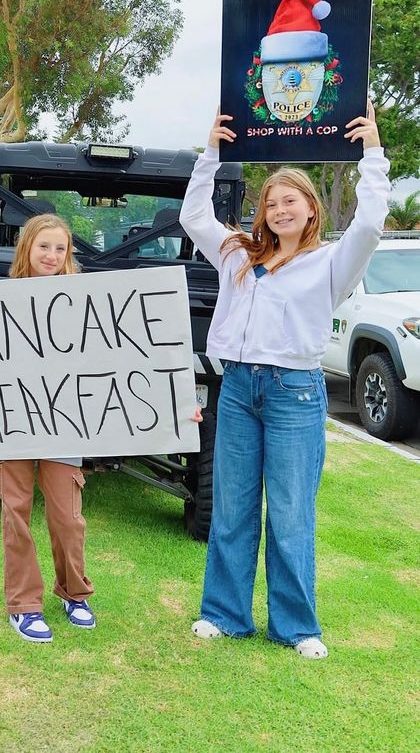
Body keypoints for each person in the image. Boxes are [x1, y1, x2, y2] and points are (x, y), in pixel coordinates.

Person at [180, 106, 389, 660]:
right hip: (240, 388)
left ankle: (296, 627)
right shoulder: (237, 255)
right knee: (233, 505)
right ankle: (224, 614)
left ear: (311, 207)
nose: (278, 209)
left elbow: (370, 223)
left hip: (295, 393)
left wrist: (372, 152)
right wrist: (211, 153)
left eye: (289, 200)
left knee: (292, 510)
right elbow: (194, 216)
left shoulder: (332, 263)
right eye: (270, 203)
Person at [0, 213, 96, 643]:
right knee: (15, 512)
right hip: (10, 419)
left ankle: (75, 591)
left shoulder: (89, 300)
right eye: (44, 247)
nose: (52, 256)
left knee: (67, 516)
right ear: (26, 250)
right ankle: (24, 603)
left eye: (60, 248)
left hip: (63, 420)